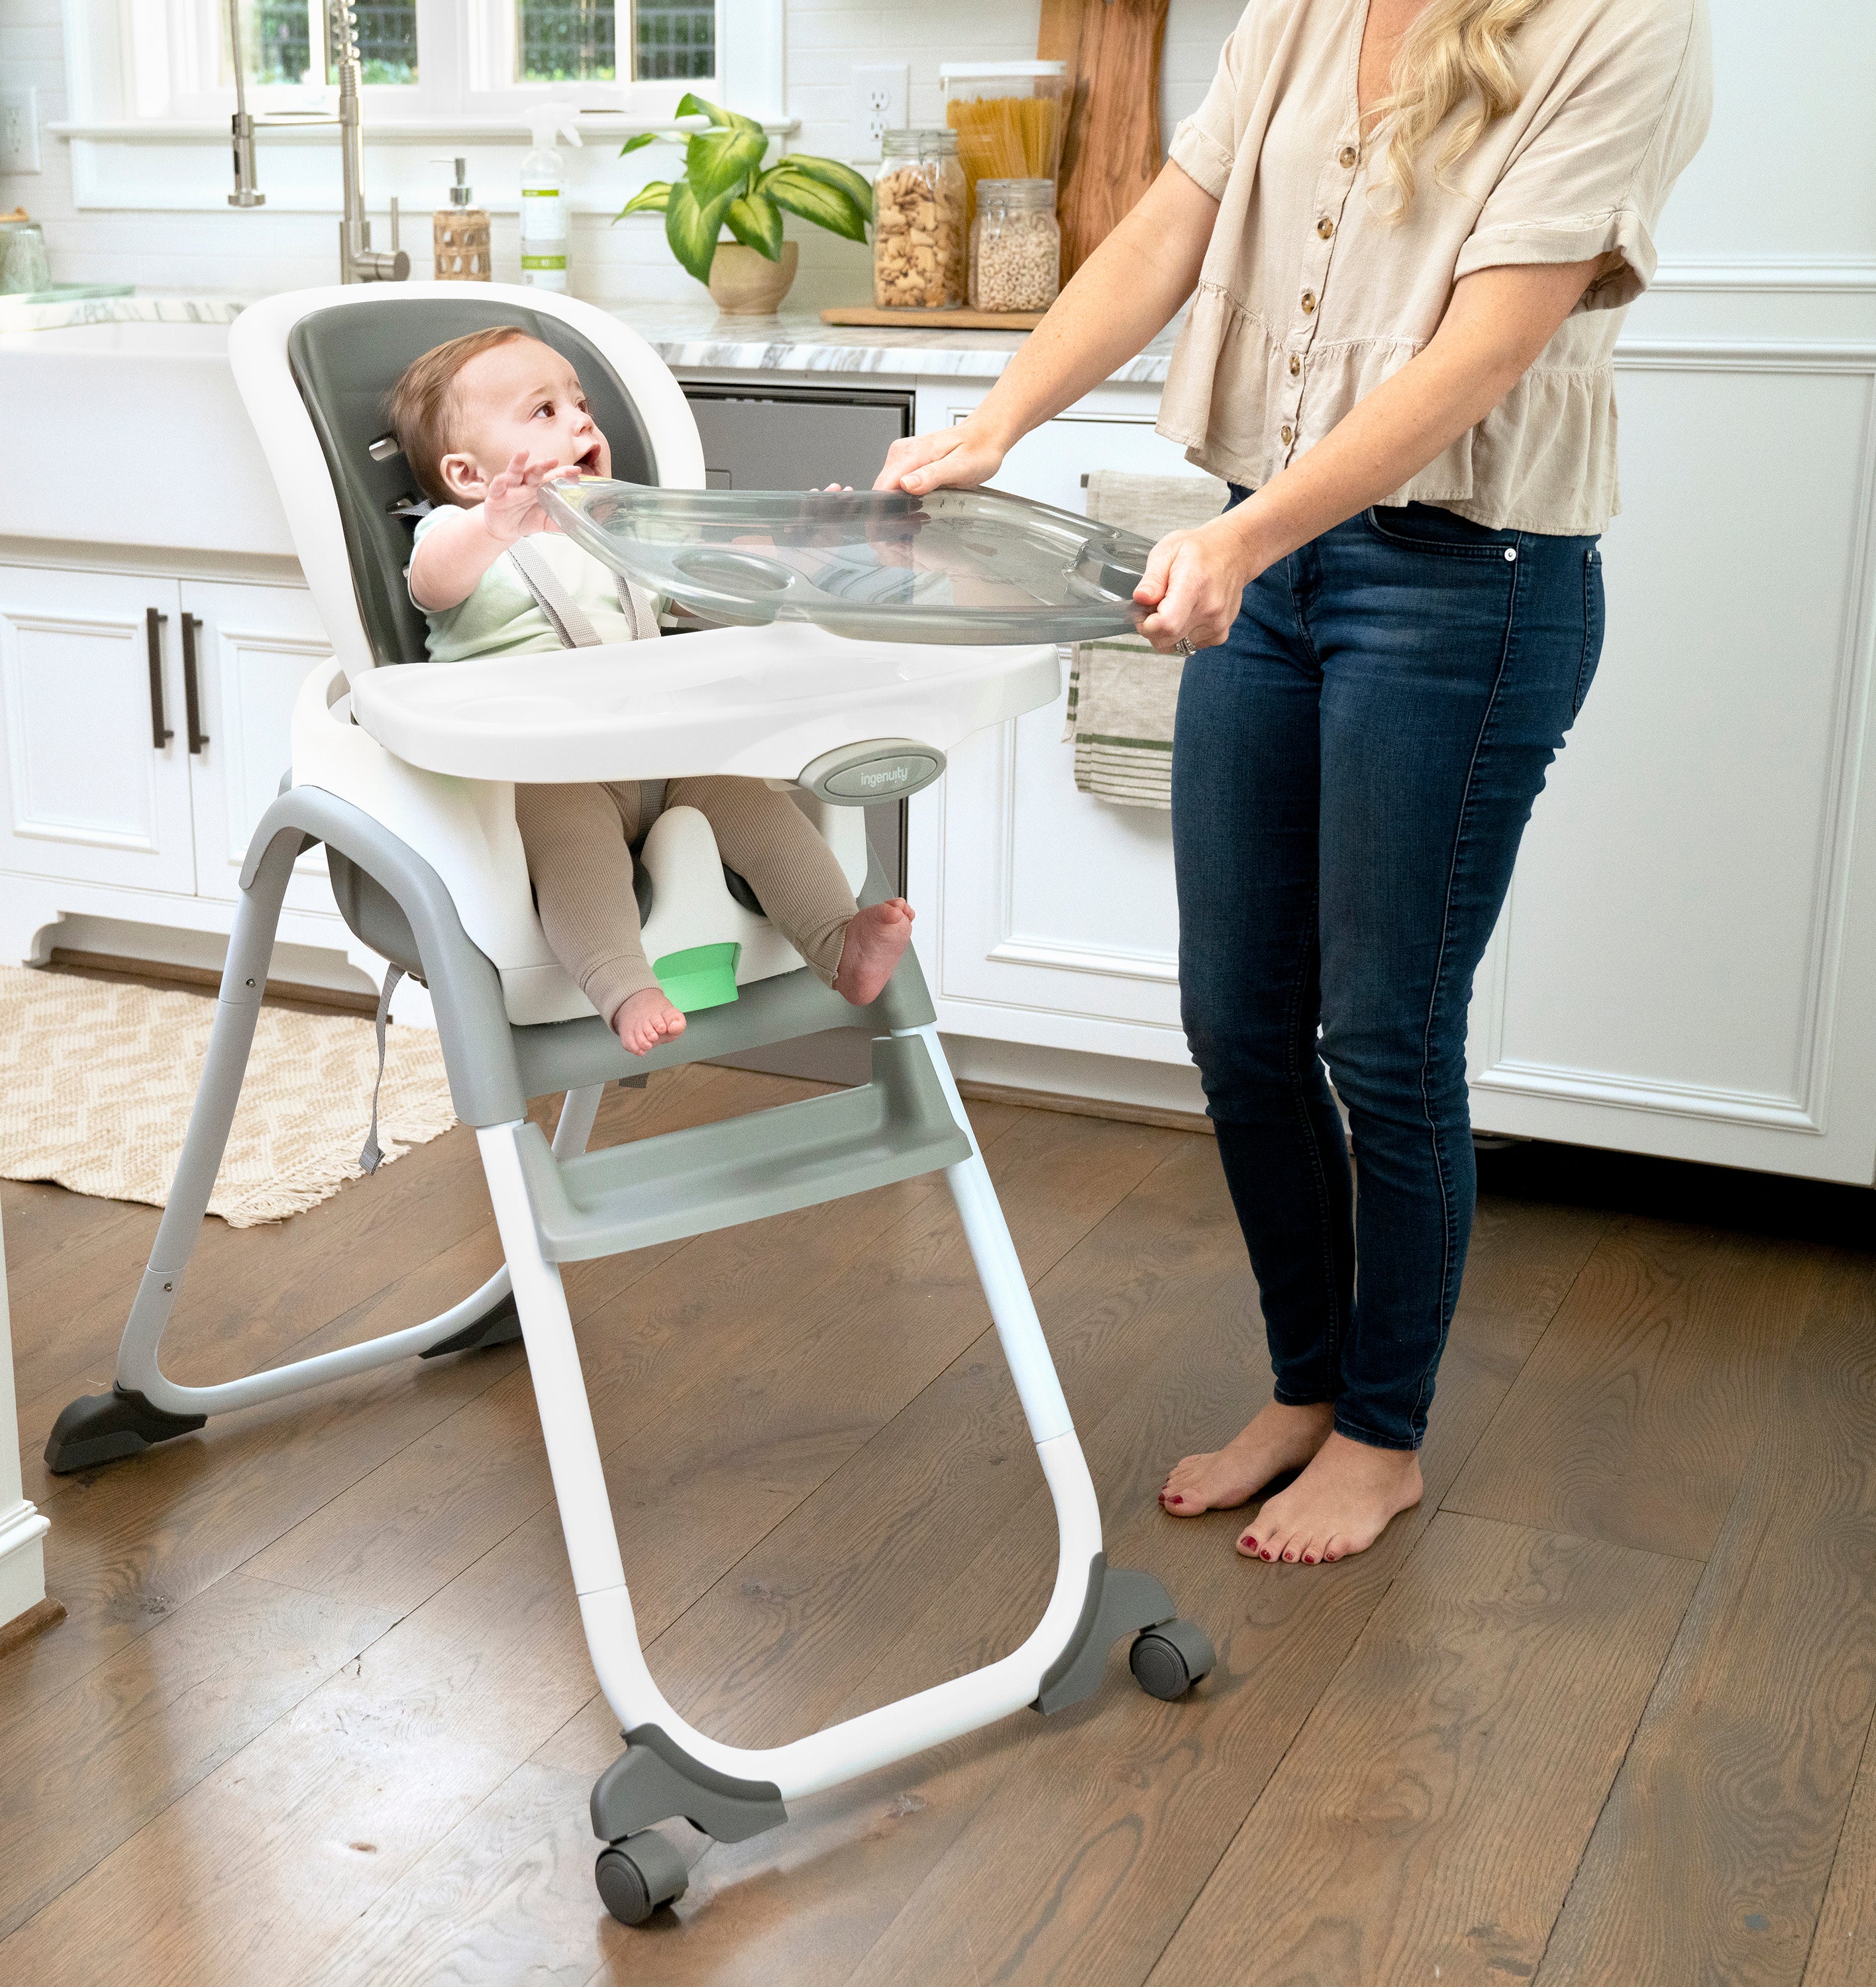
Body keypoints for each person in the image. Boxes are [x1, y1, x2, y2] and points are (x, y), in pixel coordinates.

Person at [875, 0, 1710, 1565]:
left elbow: (1490, 345)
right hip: (1273, 560)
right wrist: (998, 420)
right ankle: (1307, 1386)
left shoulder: (1625, 24)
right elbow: (1166, 228)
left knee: (1384, 1037)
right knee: (1238, 1022)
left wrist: (1245, 538)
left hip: (1468, 580)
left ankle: (1382, 1436)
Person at [392, 327, 913, 1054]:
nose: (582, 422)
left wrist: (802, 544)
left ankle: (838, 941)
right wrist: (494, 524)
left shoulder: (624, 531)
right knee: (575, 852)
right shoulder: (461, 534)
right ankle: (623, 986)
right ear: (468, 475)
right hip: (547, 775)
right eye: (544, 411)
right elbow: (434, 582)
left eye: (581, 404)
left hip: (662, 757)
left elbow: (711, 570)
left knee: (758, 807)